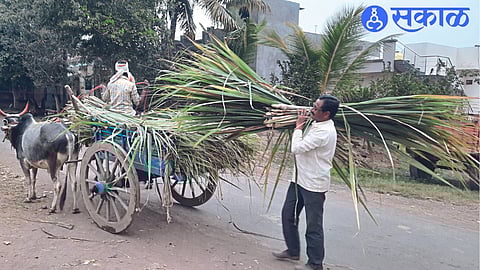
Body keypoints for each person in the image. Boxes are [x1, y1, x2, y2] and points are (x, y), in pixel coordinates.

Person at [272, 95, 340, 270]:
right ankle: (293, 251)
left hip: (314, 185)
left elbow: (297, 148)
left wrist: (298, 126)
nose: (312, 110)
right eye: (313, 106)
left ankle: (315, 264)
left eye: (316, 109)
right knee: (288, 214)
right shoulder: (317, 123)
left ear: (326, 114)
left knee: (313, 226)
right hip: (299, 179)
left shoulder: (324, 132)